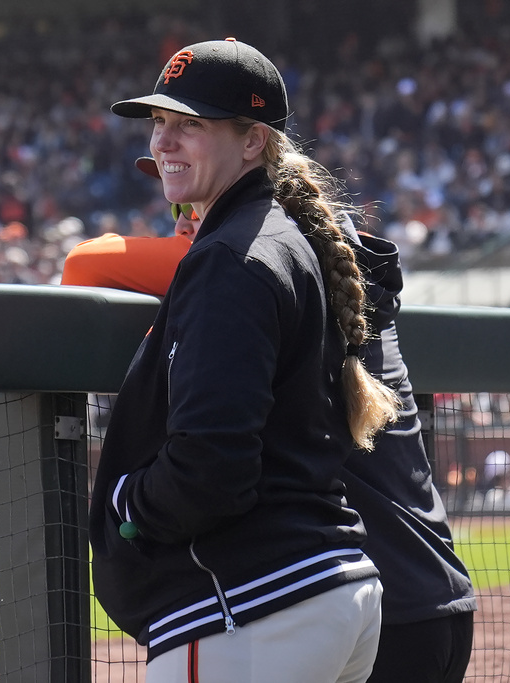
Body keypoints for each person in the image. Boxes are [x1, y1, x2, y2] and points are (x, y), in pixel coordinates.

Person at [66, 157, 477, 683]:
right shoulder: (332, 271)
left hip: (347, 601)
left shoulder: (255, 257)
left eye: (192, 203)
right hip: (419, 600)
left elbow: (84, 265)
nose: (184, 215)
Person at [88, 38, 405, 682]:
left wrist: (129, 508)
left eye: (191, 125)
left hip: (251, 606)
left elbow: (212, 464)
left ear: (253, 140)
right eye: (159, 122)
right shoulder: (284, 238)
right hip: (328, 591)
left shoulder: (231, 257)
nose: (164, 141)